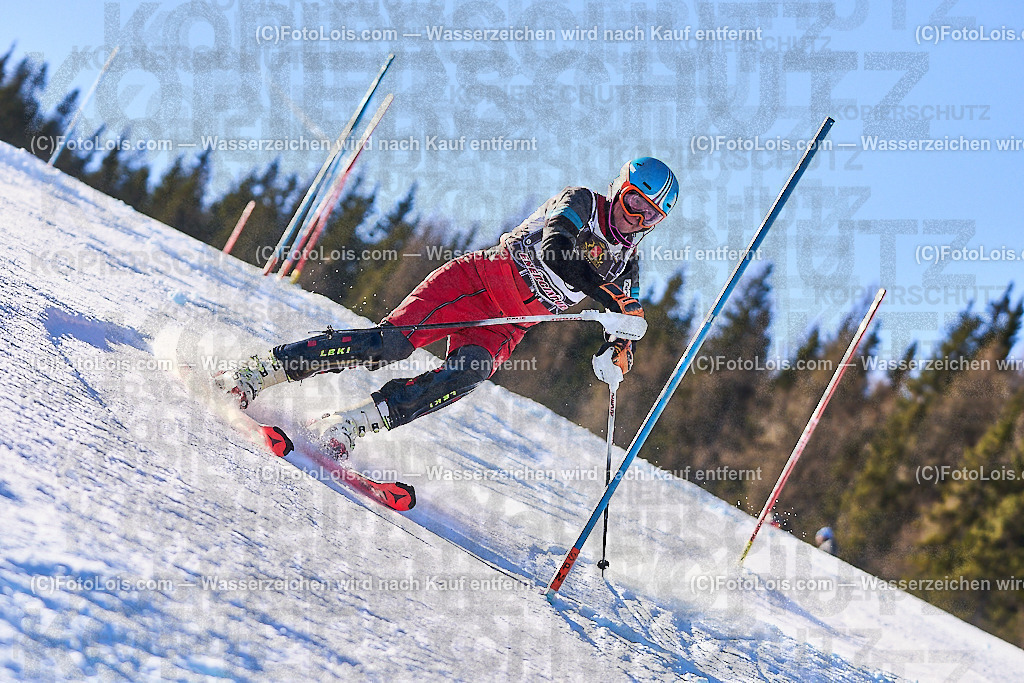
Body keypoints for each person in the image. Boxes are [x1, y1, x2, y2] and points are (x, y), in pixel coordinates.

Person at [215, 157, 680, 459]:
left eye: (649, 216)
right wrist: (611, 299)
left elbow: (627, 319)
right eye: (634, 202)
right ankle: (261, 370)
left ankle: (351, 423)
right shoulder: (583, 202)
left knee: (469, 372)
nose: (634, 219)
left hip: (509, 325)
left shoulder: (627, 263)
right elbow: (558, 249)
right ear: (620, 188)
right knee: (389, 345)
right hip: (480, 281)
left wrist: (620, 348)